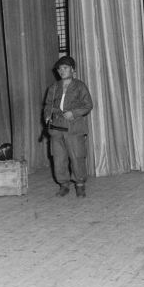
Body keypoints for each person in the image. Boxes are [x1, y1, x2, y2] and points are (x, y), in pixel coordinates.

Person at [43, 56, 93, 198]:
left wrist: (74, 113)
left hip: (74, 128)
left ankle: (80, 185)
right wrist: (47, 116)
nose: (62, 71)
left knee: (77, 157)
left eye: (65, 68)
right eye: (60, 69)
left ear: (73, 70)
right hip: (56, 128)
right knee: (59, 158)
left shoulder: (80, 86)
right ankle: (63, 185)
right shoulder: (53, 87)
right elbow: (47, 105)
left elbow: (88, 105)